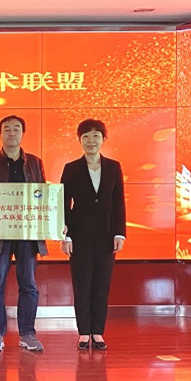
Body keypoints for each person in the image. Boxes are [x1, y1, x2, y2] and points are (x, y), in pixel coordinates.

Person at [0, 115, 48, 352]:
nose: (12, 133)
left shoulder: (34, 162)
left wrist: (50, 224)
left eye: (16, 129)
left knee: (29, 284)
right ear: (0, 134)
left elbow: (44, 197)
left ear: (23, 134)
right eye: (7, 129)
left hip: (28, 234)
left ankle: (28, 333)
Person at [60, 119, 126, 350]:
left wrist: (120, 233)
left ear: (103, 139)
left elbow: (118, 202)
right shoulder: (71, 168)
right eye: (86, 136)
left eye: (96, 136)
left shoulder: (114, 167)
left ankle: (98, 332)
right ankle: (83, 332)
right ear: (79, 140)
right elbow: (63, 204)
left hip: (106, 235)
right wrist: (65, 236)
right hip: (79, 235)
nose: (91, 141)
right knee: (82, 284)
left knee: (101, 284)